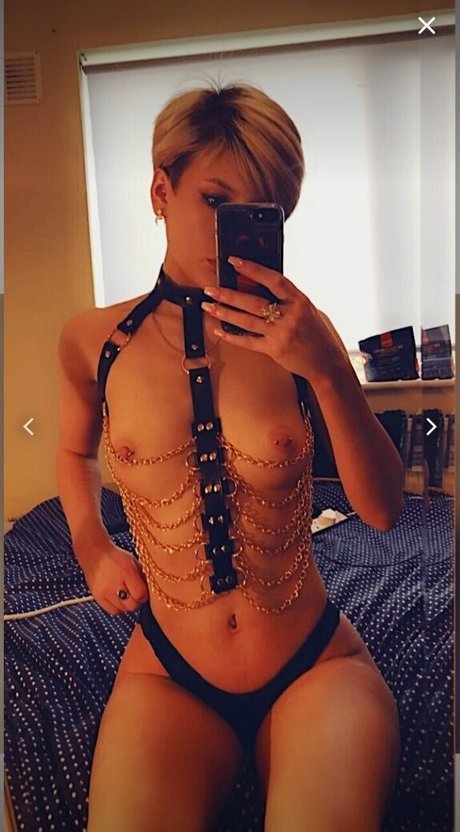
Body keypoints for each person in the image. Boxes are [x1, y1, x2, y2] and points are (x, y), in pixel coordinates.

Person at [57, 83, 403, 832]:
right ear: (161, 190)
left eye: (260, 211)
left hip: (315, 664)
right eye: (214, 199)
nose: (232, 231)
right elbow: (72, 450)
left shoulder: (305, 336)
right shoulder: (94, 342)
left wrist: (331, 371)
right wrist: (91, 545)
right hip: (168, 676)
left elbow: (382, 510)